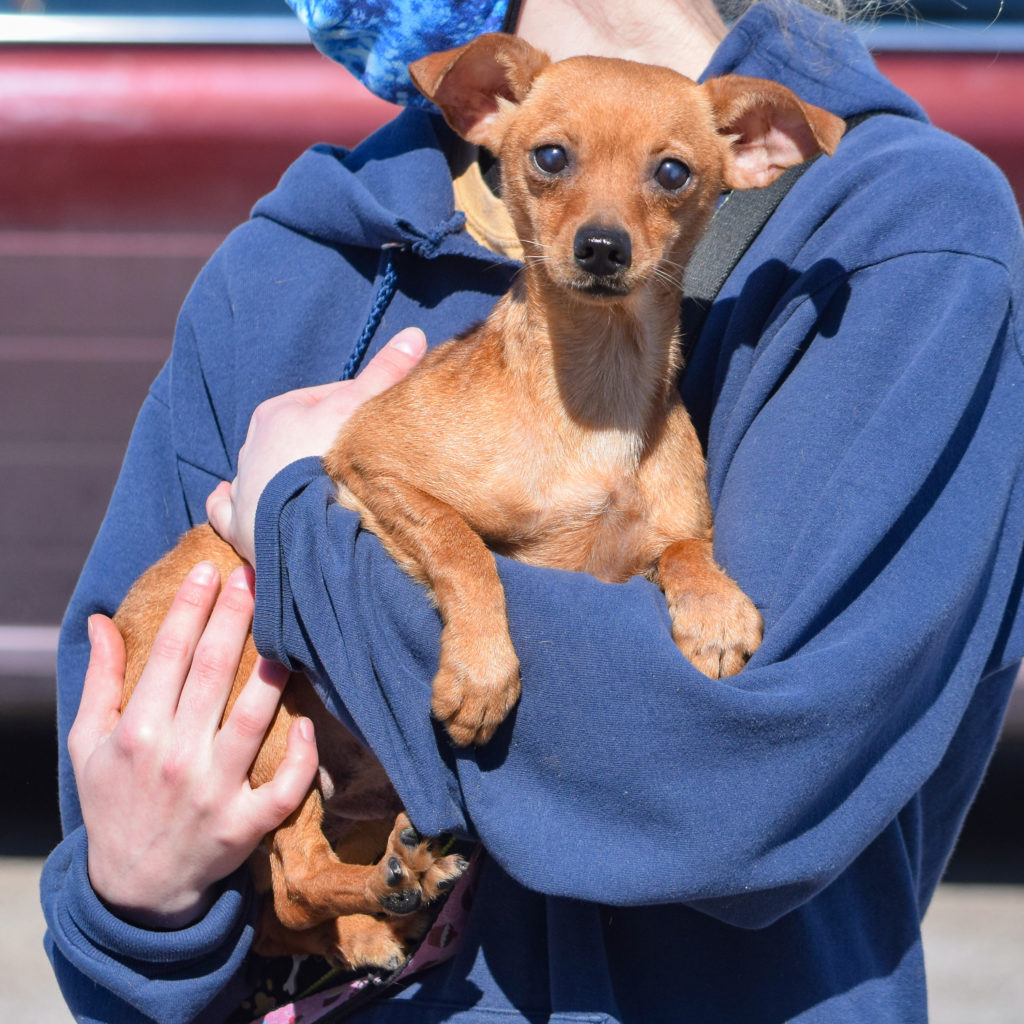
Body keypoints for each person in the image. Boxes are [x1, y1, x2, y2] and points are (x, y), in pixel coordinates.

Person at [41, 0, 1024, 1021]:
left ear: (750, 153)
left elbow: (736, 780)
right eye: (549, 162)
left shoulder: (899, 241)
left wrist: (292, 520)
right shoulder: (282, 270)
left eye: (668, 175)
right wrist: (138, 910)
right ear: (488, 111)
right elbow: (116, 861)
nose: (600, 219)